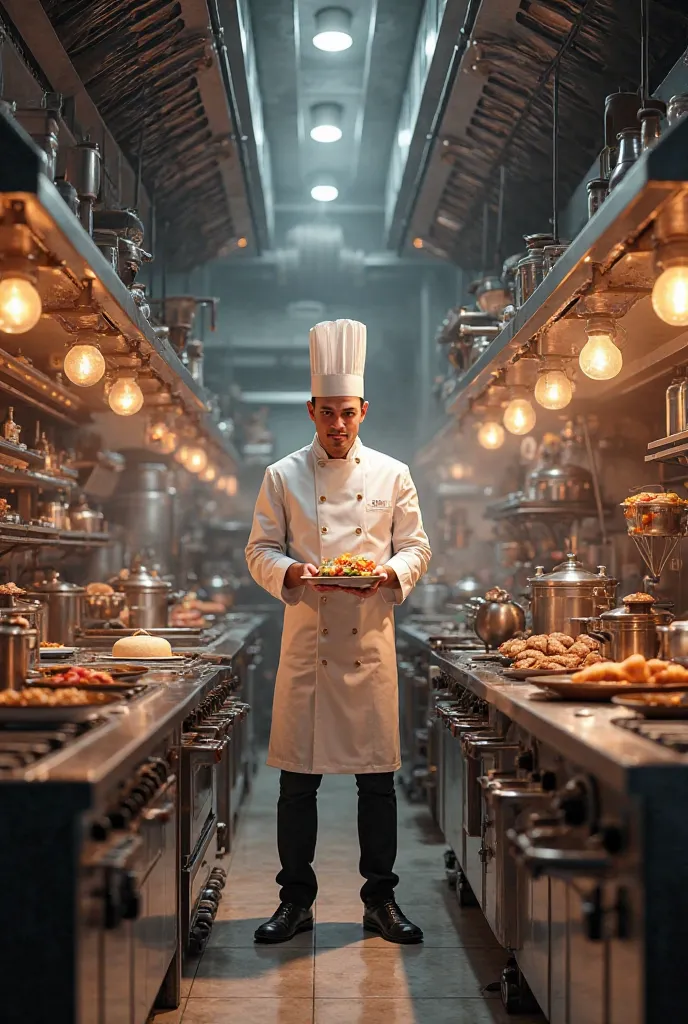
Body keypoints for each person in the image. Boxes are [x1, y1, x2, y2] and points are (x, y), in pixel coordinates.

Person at [245, 318, 431, 945]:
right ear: (311, 410)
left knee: (377, 785)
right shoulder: (281, 475)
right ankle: (295, 903)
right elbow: (259, 551)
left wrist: (388, 573)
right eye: (327, 414)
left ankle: (381, 903)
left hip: (369, 646)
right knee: (297, 784)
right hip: (308, 648)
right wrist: (295, 570)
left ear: (363, 410)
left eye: (347, 414)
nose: (338, 425)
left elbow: (417, 549)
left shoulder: (393, 474)